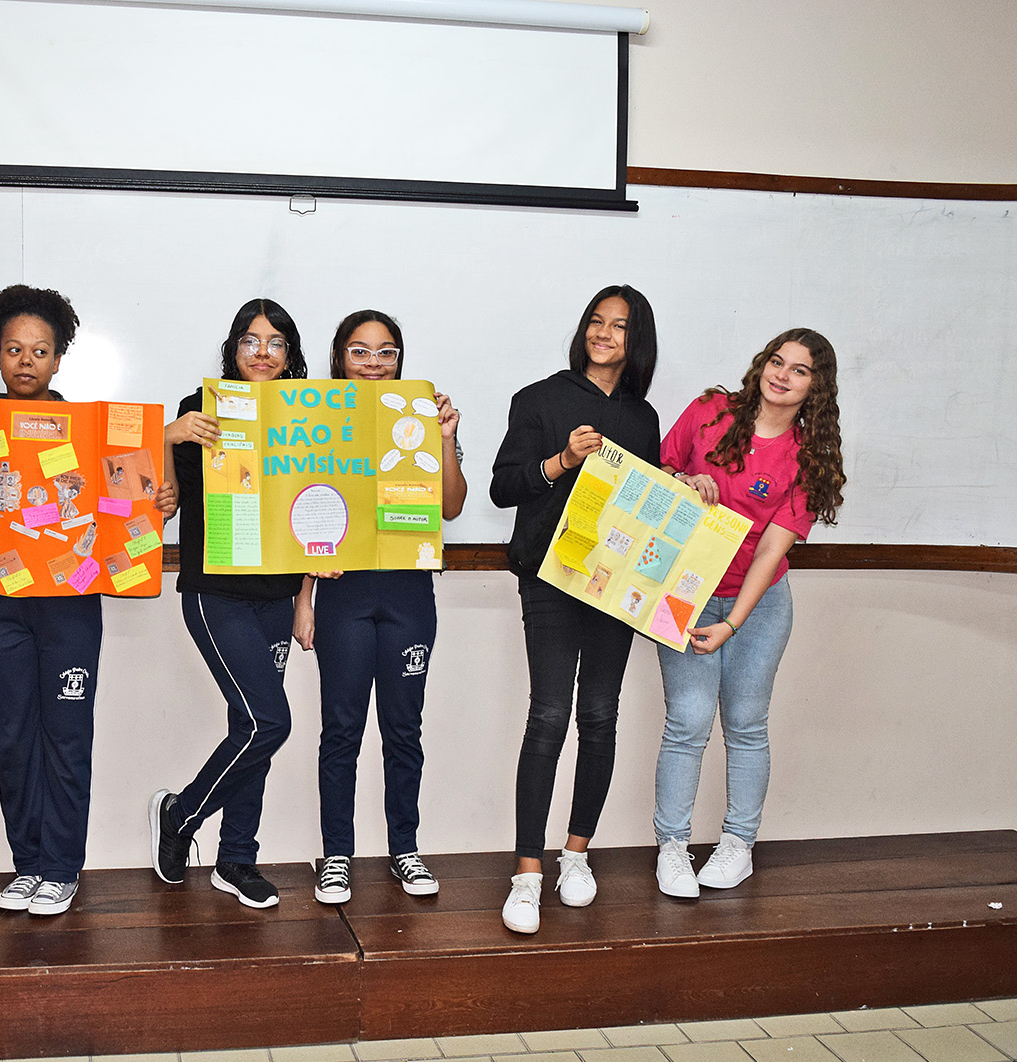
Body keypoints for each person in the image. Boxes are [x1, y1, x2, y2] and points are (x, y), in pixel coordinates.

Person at [490, 284, 661, 935]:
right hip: (549, 578)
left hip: (615, 586)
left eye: (619, 326)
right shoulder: (538, 399)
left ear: (635, 341)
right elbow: (504, 487)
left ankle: (577, 855)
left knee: (600, 716)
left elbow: (645, 509)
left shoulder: (643, 417)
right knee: (549, 715)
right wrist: (562, 460)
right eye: (596, 320)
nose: (603, 333)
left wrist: (681, 488)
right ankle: (527, 873)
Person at [653, 330, 845, 896]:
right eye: (777, 361)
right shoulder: (709, 412)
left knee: (745, 723)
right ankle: (672, 846)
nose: (782, 375)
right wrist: (684, 482)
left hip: (757, 606)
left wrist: (732, 622)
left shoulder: (809, 455)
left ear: (816, 388)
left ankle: (738, 844)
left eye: (800, 370)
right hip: (685, 592)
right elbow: (653, 479)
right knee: (686, 721)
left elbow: (770, 551)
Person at [293, 310, 467, 904]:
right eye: (360, 351)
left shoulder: (421, 416)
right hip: (343, 593)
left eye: (386, 351)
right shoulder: (317, 421)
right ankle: (336, 856)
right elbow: (302, 509)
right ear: (340, 358)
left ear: (399, 360)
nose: (373, 363)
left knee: (403, 729)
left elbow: (450, 508)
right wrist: (304, 598)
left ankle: (405, 849)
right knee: (341, 729)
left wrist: (445, 439)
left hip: (408, 594)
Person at [150, 299, 308, 909]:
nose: (262, 352)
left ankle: (236, 857)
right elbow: (162, 501)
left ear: (289, 354)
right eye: (250, 340)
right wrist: (167, 435)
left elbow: (317, 503)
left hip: (277, 596)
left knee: (251, 728)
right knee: (269, 723)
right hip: (216, 593)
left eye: (275, 342)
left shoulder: (306, 412)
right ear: (233, 349)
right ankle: (182, 815)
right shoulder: (201, 408)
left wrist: (305, 599)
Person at [0, 285, 98, 917]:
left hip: (70, 602)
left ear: (58, 359)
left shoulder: (91, 433)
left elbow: (128, 494)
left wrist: (156, 493)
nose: (26, 361)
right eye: (13, 349)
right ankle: (28, 863)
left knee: (67, 735)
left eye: (40, 351)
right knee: (10, 736)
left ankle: (62, 867)